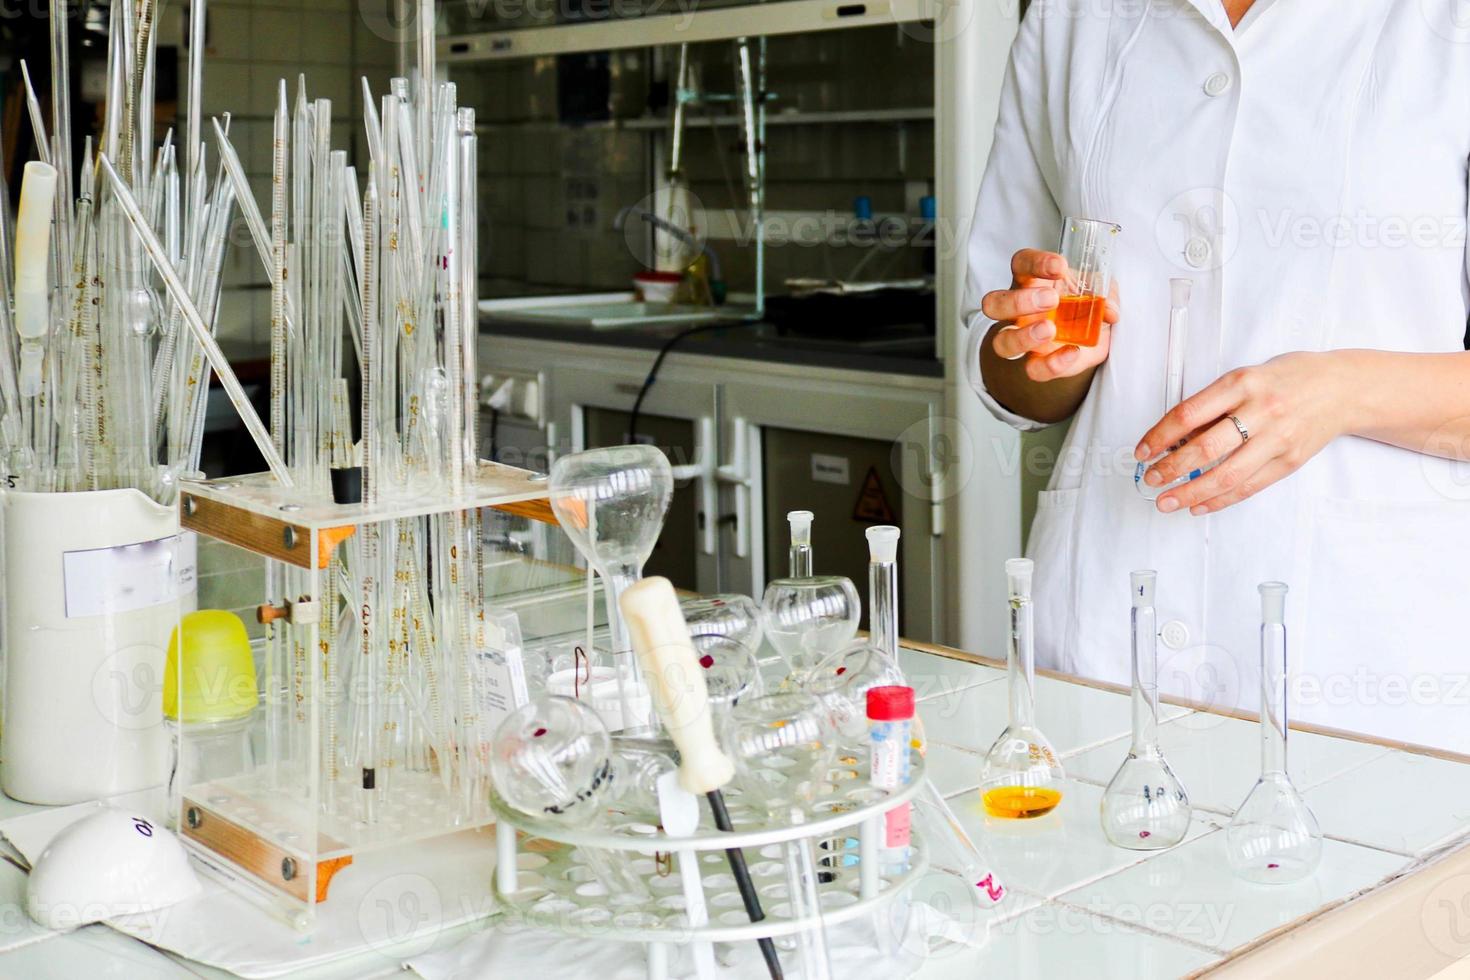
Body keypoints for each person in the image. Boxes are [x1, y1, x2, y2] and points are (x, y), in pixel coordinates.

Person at [964, 0, 1470, 750]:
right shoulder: (1071, 17)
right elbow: (1003, 363)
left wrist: (1339, 392)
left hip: (1364, 659)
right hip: (1104, 625)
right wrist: (1037, 343)